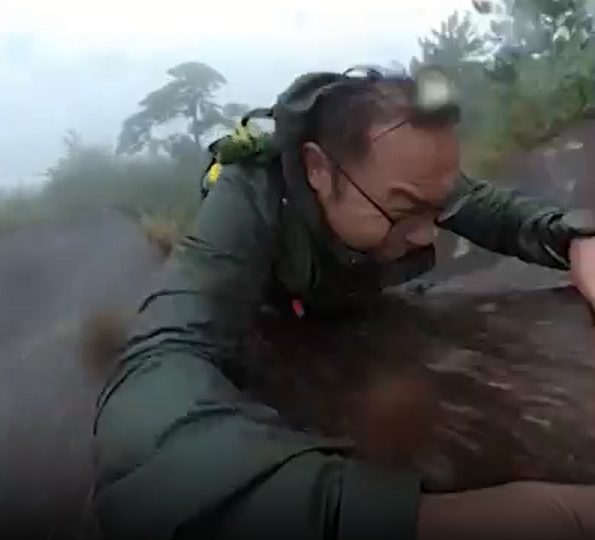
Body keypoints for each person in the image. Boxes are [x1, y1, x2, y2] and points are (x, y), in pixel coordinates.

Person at [92, 67, 595, 539]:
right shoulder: (249, 198)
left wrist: (575, 239)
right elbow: (152, 392)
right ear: (317, 169)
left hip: (349, 297)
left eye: (435, 210)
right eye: (402, 210)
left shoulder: (397, 171)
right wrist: (398, 519)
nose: (428, 235)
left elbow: (496, 211)